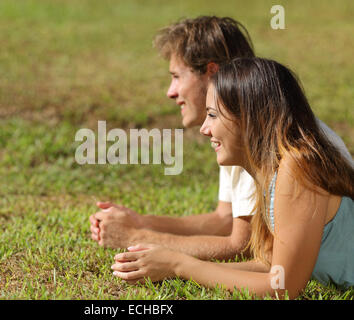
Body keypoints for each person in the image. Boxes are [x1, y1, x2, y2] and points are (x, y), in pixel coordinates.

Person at [89, 16, 352, 262]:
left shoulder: (266, 139)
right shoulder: (240, 128)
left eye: (176, 77)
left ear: (212, 73)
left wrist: (135, 238)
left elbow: (243, 244)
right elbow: (225, 219)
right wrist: (141, 222)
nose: (170, 92)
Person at [111, 58, 354, 298]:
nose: (204, 129)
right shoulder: (270, 173)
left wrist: (180, 265)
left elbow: (282, 287)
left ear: (250, 117)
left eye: (213, 115)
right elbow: (268, 265)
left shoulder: (297, 168)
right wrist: (172, 267)